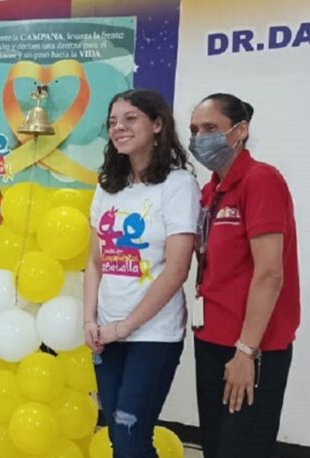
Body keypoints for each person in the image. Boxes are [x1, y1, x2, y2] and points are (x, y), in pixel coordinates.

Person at [83, 89, 200, 458]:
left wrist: (125, 326)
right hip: (106, 332)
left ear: (158, 124)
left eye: (131, 118)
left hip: (153, 333)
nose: (119, 127)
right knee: (120, 438)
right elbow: (95, 262)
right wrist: (90, 319)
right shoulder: (106, 186)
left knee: (132, 437)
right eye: (113, 121)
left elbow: (177, 269)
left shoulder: (178, 185)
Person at [189, 93, 299, 458]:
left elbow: (270, 274)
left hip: (251, 347)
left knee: (243, 448)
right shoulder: (209, 192)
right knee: (217, 447)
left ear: (240, 131)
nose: (199, 138)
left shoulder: (260, 179)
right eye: (194, 130)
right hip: (211, 340)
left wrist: (245, 352)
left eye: (210, 128)